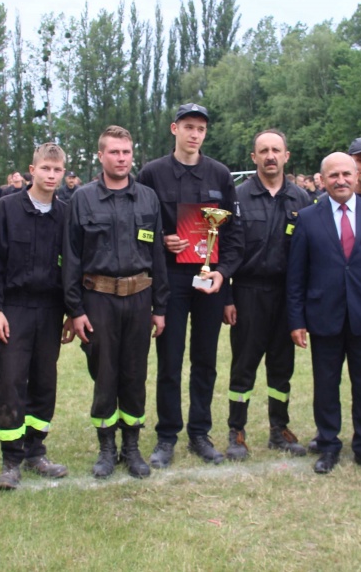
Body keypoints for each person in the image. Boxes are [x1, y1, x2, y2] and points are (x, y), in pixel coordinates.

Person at [138, 104, 243, 468]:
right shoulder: (152, 173)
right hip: (170, 278)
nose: (194, 134)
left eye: (200, 128)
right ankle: (167, 435)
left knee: (205, 359)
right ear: (174, 129)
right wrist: (161, 240)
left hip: (209, 280)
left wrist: (223, 274)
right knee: (169, 360)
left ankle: (200, 432)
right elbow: (137, 226)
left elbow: (233, 234)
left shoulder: (220, 174)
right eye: (188, 127)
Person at [287, 152, 361, 476]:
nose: (340, 181)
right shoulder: (308, 217)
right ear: (322, 180)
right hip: (324, 316)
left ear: (357, 177)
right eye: (333, 175)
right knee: (326, 385)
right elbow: (296, 276)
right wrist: (296, 320)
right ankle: (328, 445)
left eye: (346, 174)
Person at [64, 126, 169, 478]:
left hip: (139, 299)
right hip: (99, 300)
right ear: (101, 156)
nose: (121, 158)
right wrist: (75, 310)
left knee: (135, 375)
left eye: (126, 152)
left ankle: (132, 447)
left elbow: (157, 256)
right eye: (114, 152)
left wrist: (160, 307)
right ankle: (107, 448)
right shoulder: (82, 199)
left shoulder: (148, 199)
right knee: (105, 375)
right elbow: (72, 258)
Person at [0, 143, 73, 488]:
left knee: (44, 382)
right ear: (31, 170)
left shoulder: (65, 214)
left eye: (57, 170)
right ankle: (11, 460)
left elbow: (72, 269)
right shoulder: (6, 209)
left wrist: (71, 312)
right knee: (11, 381)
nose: (51, 175)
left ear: (63, 173)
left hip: (50, 310)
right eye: (45, 168)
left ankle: (36, 451)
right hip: (14, 309)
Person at [222, 130, 312, 461]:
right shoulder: (237, 197)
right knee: (243, 365)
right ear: (254, 158)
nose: (270, 156)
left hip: (286, 295)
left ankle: (279, 429)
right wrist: (226, 298)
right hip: (247, 292)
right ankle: (237, 430)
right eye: (264, 151)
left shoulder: (301, 199)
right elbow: (225, 251)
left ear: (287, 155)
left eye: (276, 150)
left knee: (281, 365)